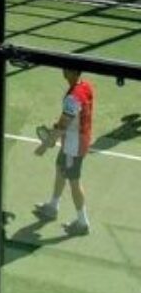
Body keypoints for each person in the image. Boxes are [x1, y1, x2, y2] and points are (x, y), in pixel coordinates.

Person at [33, 67, 94, 236]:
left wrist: (44, 146)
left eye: (67, 68)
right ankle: (53, 207)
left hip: (74, 146)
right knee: (60, 169)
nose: (63, 70)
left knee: (74, 181)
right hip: (77, 140)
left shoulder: (73, 97)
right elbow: (69, 120)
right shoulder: (85, 86)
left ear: (74, 72)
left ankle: (83, 222)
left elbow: (62, 125)